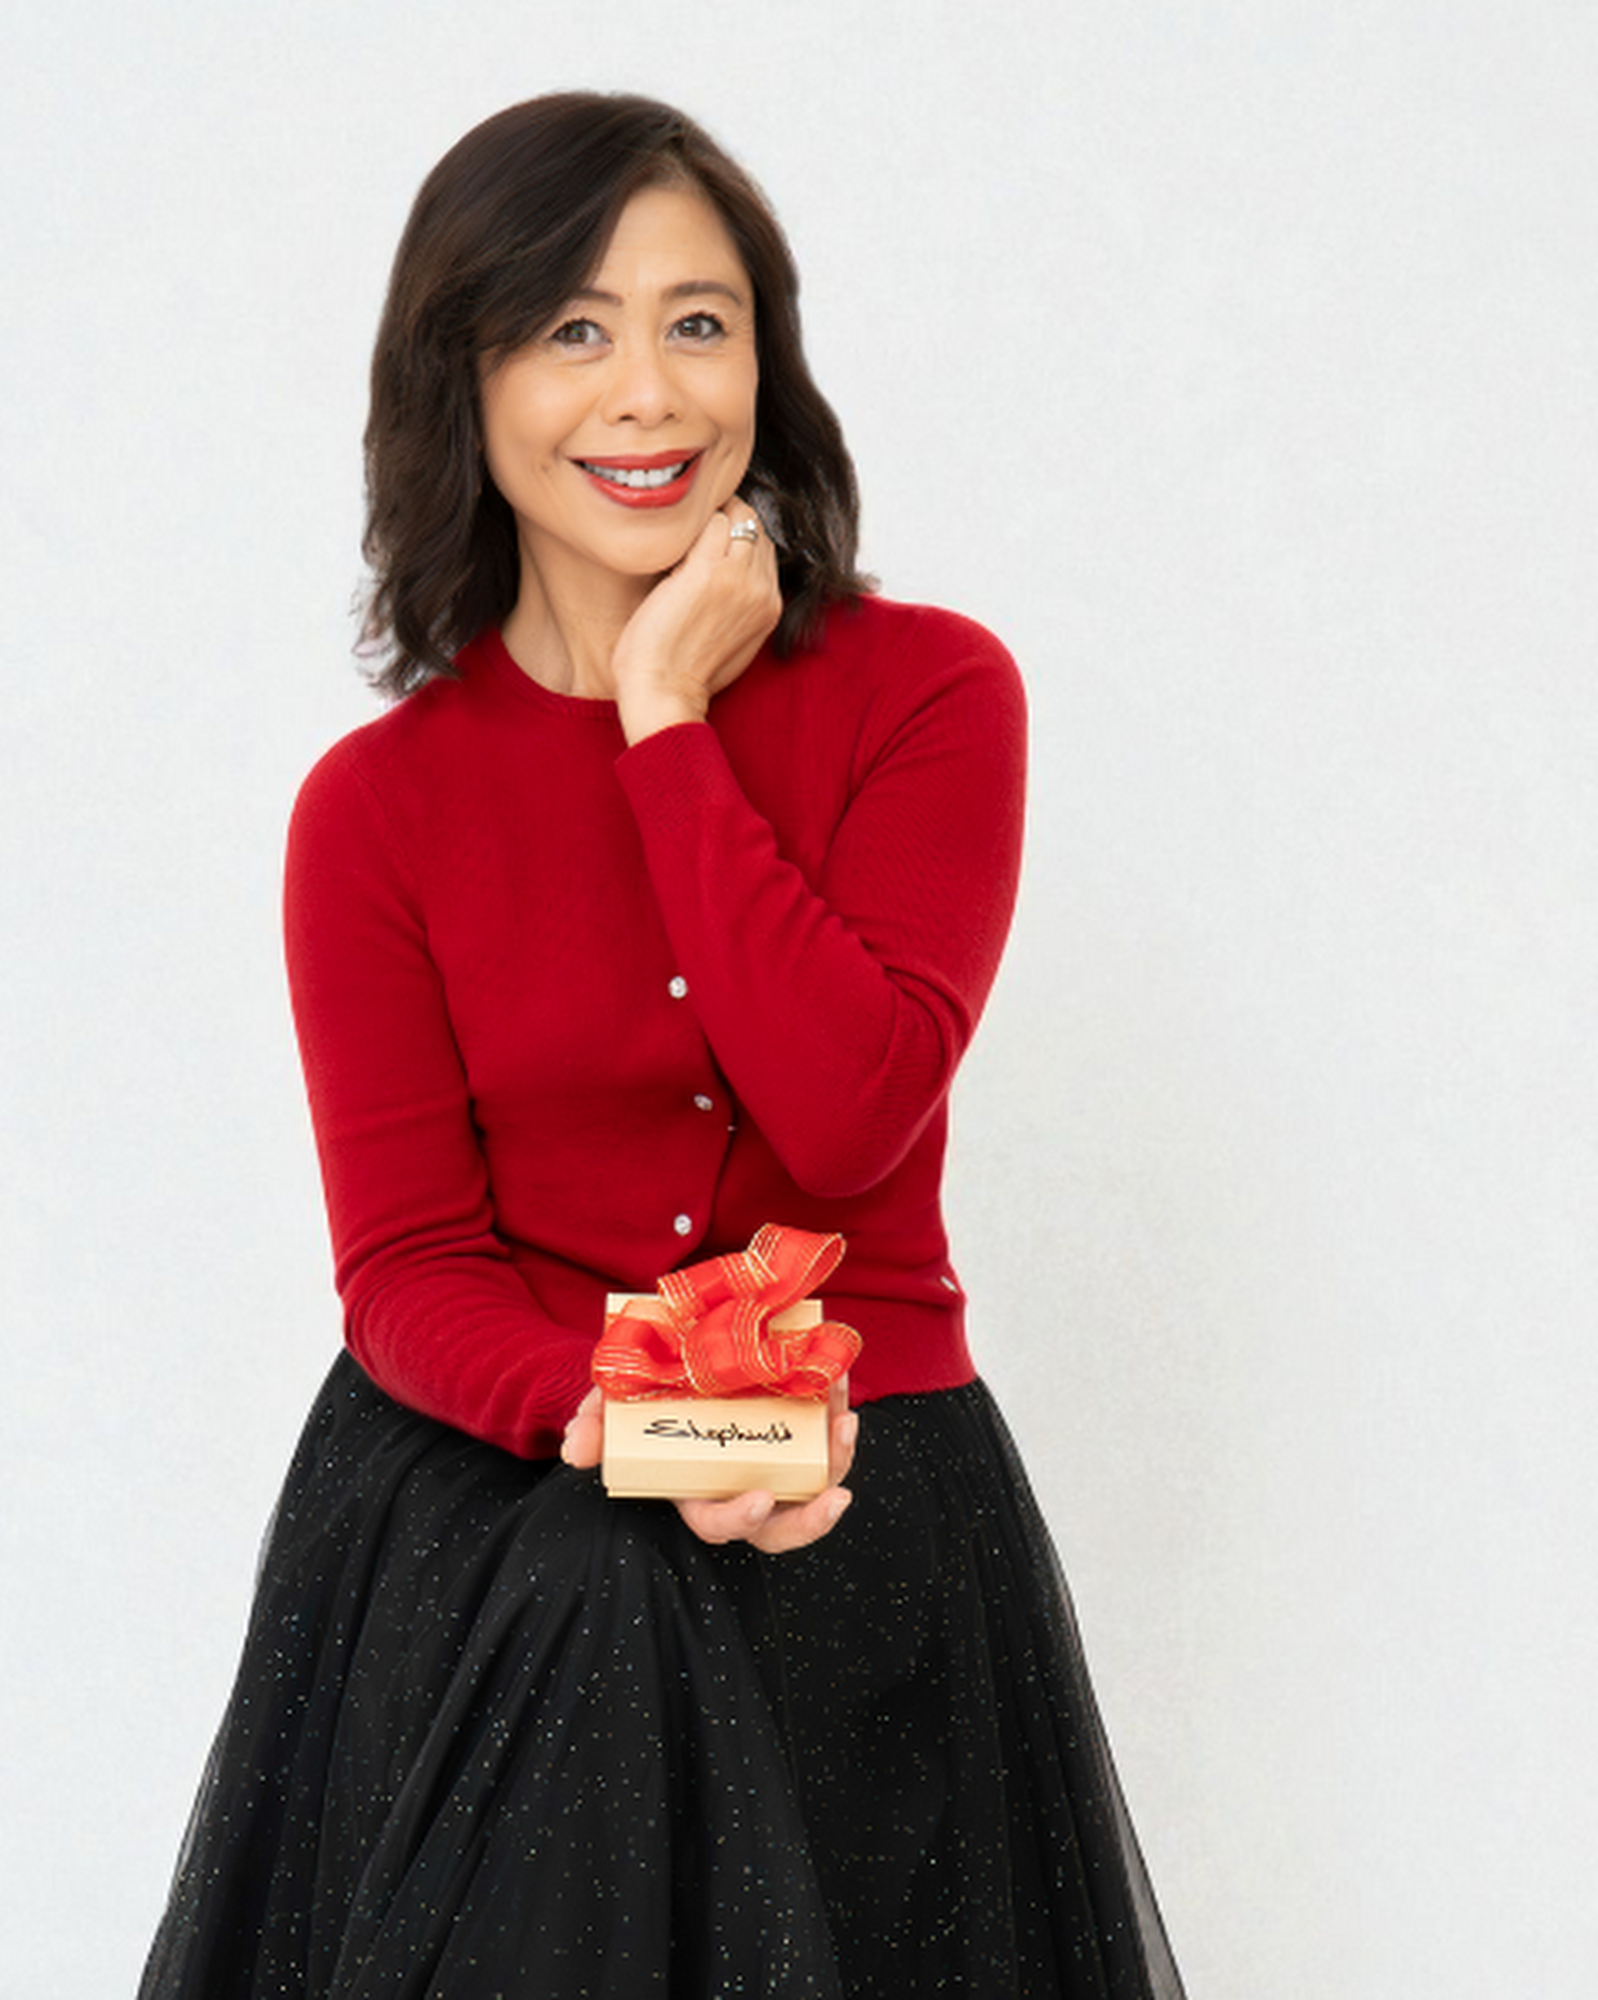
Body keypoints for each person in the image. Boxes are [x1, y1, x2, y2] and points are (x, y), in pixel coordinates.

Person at [140, 92, 1185, 1999]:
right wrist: (625, 1430)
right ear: (461, 380)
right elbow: (407, 1266)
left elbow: (851, 1113)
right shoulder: (373, 809)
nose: (649, 391)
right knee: (584, 1612)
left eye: (700, 323)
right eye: (573, 328)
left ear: (766, 365)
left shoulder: (931, 695)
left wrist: (665, 720)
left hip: (860, 1524)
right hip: (495, 1532)